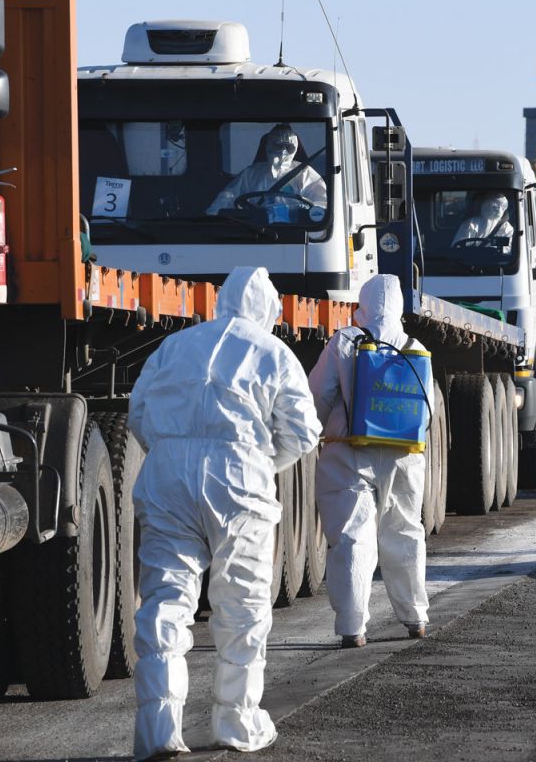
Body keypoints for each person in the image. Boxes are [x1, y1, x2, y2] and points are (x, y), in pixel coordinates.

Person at [128, 266, 321, 760]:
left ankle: (158, 730)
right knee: (243, 607)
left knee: (166, 601)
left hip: (167, 474)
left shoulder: (174, 346)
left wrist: (172, 452)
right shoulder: (274, 353)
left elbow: (139, 413)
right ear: (269, 310)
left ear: (221, 301)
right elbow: (302, 432)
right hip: (240, 480)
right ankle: (236, 723)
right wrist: (258, 462)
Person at [308, 274, 430, 649]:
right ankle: (416, 617)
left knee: (351, 537)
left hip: (349, 452)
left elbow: (318, 393)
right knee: (405, 531)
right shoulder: (415, 346)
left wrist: (308, 434)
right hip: (404, 456)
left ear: (362, 303)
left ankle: (352, 627)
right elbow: (427, 409)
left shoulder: (345, 341)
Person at [206, 123, 328, 219]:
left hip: (296, 234)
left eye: (288, 147)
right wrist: (212, 219)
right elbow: (227, 197)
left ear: (295, 149)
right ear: (268, 146)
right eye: (278, 146)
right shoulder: (250, 174)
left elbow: (322, 205)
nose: (283, 152)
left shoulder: (305, 174)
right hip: (253, 233)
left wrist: (301, 213)